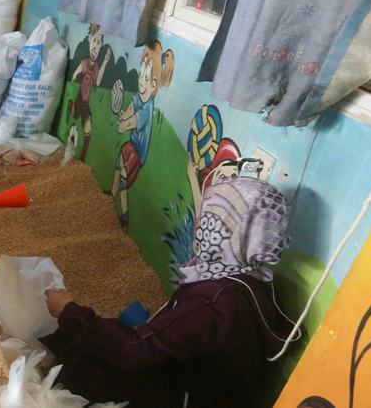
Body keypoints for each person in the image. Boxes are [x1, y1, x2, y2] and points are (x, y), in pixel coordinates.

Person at [42, 177, 296, 408]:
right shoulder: (248, 280)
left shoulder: (214, 302)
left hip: (185, 396)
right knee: (97, 333)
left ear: (221, 230)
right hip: (206, 384)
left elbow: (131, 351)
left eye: (205, 217)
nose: (197, 223)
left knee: (83, 352)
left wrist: (69, 311)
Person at [112, 41, 174, 224]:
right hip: (131, 145)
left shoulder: (147, 108)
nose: (140, 81)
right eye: (141, 75)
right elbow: (128, 111)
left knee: (124, 178)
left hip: (138, 154)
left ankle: (123, 214)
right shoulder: (138, 97)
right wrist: (121, 113)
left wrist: (123, 124)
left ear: (153, 83)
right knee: (118, 163)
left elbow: (132, 121)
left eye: (145, 78)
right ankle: (110, 196)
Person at [67, 24, 112, 161]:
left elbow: (98, 82)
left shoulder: (96, 66)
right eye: (94, 41)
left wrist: (104, 62)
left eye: (98, 44)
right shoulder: (85, 62)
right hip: (79, 99)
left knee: (88, 129)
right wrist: (74, 80)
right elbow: (75, 75)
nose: (95, 46)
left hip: (86, 103)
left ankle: (82, 158)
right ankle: (70, 143)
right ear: (89, 40)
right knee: (74, 124)